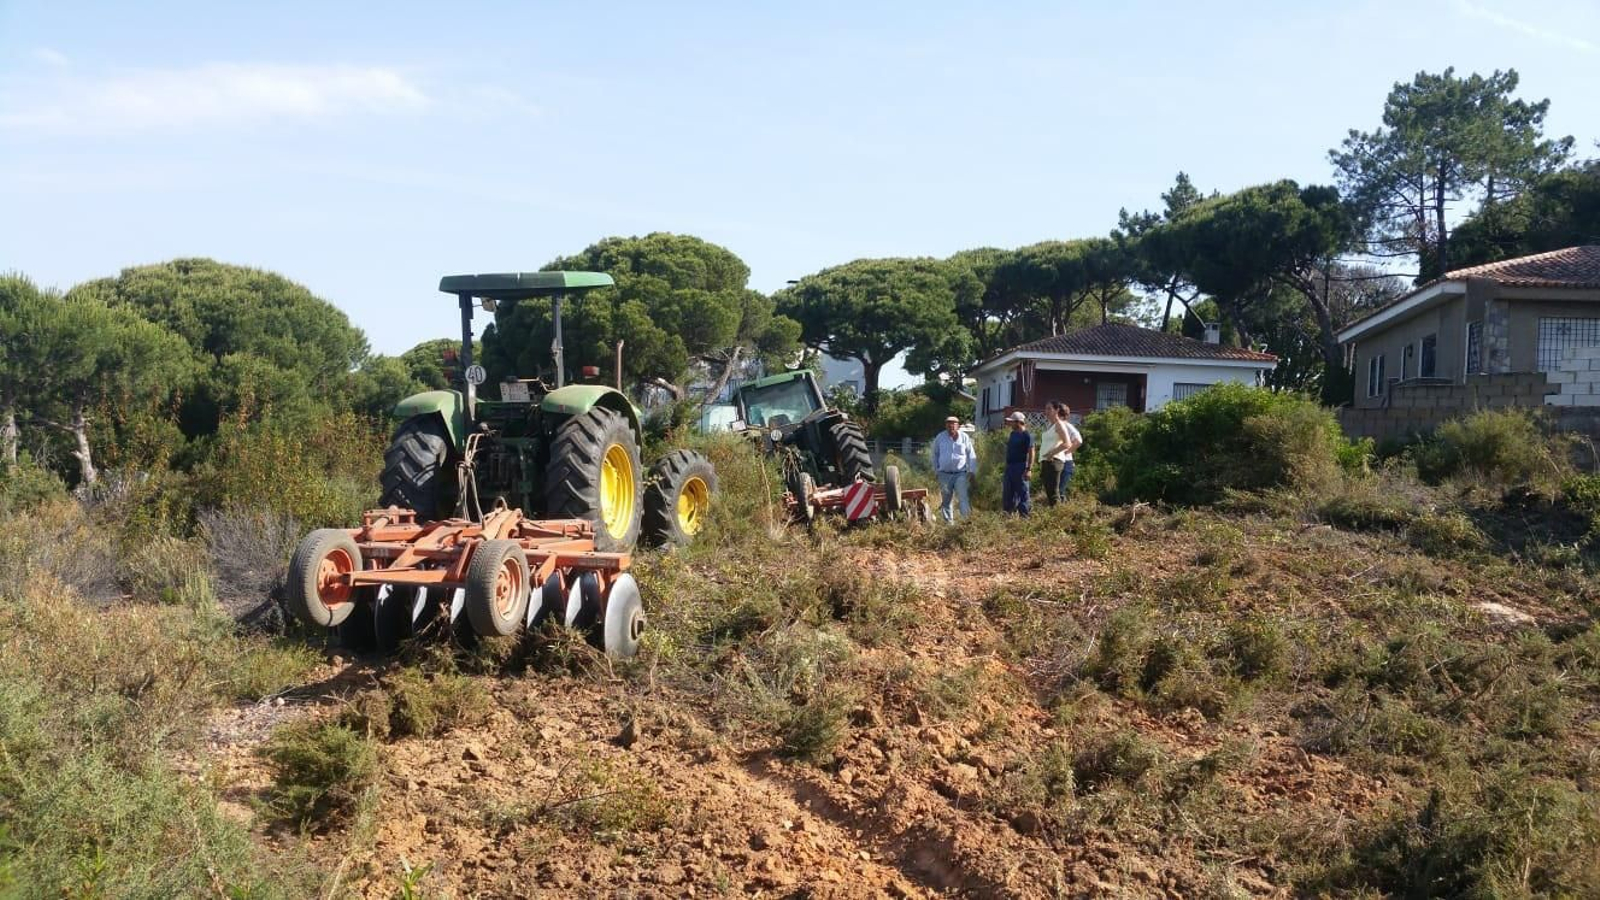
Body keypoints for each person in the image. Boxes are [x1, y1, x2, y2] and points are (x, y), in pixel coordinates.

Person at [930, 415, 977, 522]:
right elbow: (934, 455)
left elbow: (971, 454)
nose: (951, 425)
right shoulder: (940, 437)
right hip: (944, 474)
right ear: (945, 425)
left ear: (958, 425)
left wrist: (972, 471)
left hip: (960, 473)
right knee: (946, 500)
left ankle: (966, 522)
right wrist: (936, 470)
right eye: (948, 423)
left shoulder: (964, 437)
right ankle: (948, 524)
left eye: (953, 423)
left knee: (963, 498)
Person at [1039, 401, 1083, 506]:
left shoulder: (1064, 425)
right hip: (1050, 461)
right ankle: (1057, 514)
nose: (1046, 412)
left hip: (1061, 461)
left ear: (1058, 411)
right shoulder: (1050, 425)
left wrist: (1064, 452)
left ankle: (1060, 515)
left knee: (1058, 491)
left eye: (1049, 409)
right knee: (1052, 491)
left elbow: (1077, 441)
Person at [1001, 410, 1034, 517]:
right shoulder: (1013, 433)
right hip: (1010, 467)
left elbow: (1031, 452)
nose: (1010, 424)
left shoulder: (1027, 435)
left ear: (1019, 422)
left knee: (1023, 492)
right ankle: (1008, 515)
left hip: (1021, 466)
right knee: (1008, 492)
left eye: (1012, 422)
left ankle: (1025, 517)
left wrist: (1029, 469)